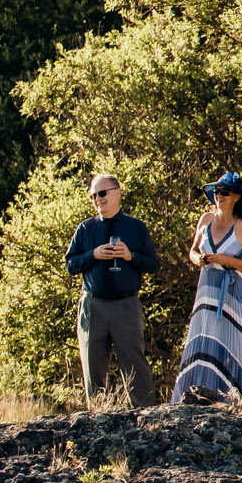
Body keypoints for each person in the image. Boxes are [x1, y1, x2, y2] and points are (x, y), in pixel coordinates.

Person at [65, 172, 161, 407]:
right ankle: (96, 419)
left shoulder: (135, 227)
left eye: (102, 193)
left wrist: (131, 256)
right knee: (93, 366)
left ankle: (148, 420)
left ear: (117, 193)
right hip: (93, 306)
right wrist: (93, 255)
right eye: (93, 196)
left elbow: (153, 264)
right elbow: (70, 264)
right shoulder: (85, 229)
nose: (97, 199)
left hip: (126, 306)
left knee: (135, 366)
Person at [174, 173, 242, 405]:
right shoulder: (205, 219)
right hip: (207, 288)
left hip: (234, 291)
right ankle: (197, 393)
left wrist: (227, 260)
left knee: (231, 339)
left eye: (224, 192)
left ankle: (234, 400)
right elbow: (193, 250)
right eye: (216, 192)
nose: (218, 196)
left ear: (235, 196)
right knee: (204, 337)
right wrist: (198, 260)